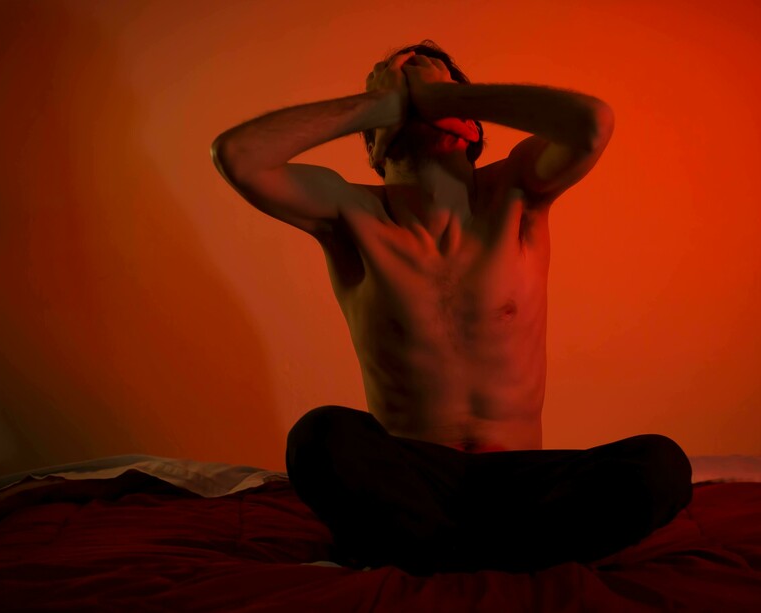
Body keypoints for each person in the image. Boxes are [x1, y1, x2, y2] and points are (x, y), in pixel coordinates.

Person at [211, 40, 692, 575]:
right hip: (412, 477)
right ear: (371, 145)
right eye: (403, 97)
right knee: (318, 436)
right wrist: (380, 105)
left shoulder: (517, 190)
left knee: (659, 463)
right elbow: (238, 156)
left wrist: (439, 99)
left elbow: (593, 122)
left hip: (521, 477)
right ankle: (498, 555)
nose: (418, 102)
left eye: (435, 95)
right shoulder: (351, 212)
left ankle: (442, 555)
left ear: (472, 125)